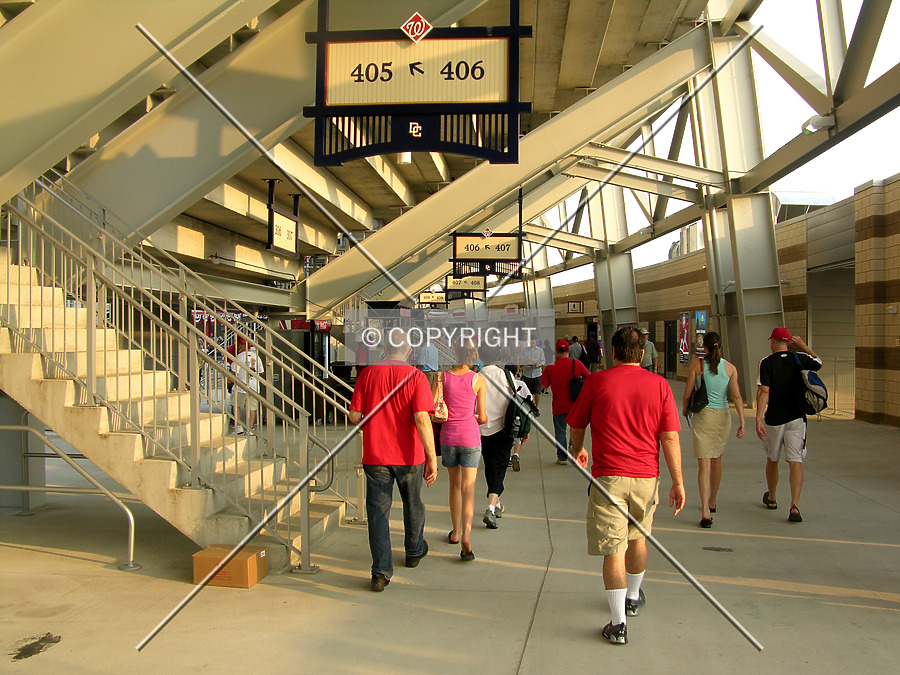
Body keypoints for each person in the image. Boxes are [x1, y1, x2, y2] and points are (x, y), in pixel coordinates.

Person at [569, 326, 685, 646]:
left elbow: (576, 423)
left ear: (612, 352)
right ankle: (633, 597)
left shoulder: (597, 381)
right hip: (647, 477)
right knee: (638, 539)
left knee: (613, 548)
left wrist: (578, 448)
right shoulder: (660, 386)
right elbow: (670, 436)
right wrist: (678, 481)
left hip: (609, 478)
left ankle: (618, 623)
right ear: (643, 353)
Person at [348, 330, 438, 592]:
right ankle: (413, 550)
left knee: (378, 513)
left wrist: (371, 422)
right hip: (409, 456)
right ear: (409, 352)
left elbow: (354, 416)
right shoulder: (416, 377)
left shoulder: (367, 375)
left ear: (384, 350)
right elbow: (422, 418)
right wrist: (432, 458)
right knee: (413, 503)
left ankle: (381, 571)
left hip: (376, 456)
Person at [756, 327, 822, 523]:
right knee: (795, 461)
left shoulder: (766, 362)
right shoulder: (799, 358)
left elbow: (764, 391)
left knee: (772, 458)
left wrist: (759, 417)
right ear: (788, 342)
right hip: (796, 417)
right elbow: (819, 362)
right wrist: (803, 346)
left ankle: (773, 497)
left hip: (775, 418)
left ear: (774, 341)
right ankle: (794, 505)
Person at [681, 331, 745, 528]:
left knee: (704, 465)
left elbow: (687, 393)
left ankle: (705, 511)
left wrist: (685, 410)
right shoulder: (730, 368)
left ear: (705, 348)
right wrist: (742, 421)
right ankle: (713, 501)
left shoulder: (697, 365)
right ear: (721, 347)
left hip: (704, 415)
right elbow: (737, 396)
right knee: (717, 461)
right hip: (723, 417)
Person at [441, 338, 487, 560]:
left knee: (454, 486)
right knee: (469, 489)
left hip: (448, 436)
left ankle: (456, 532)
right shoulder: (478, 380)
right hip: (470, 438)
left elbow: (433, 407)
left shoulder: (442, 378)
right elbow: (483, 416)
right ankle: (467, 535)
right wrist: (476, 417)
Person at [477, 345, 514, 529]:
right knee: (499, 468)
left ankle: (497, 504)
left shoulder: (476, 376)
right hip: (502, 428)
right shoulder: (505, 375)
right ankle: (491, 507)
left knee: (490, 466)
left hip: (481, 430)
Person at [541, 339, 589, 465]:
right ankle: (575, 451)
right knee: (575, 430)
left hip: (558, 406)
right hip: (575, 405)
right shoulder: (576, 364)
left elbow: (544, 384)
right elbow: (589, 377)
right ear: (568, 350)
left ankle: (562, 457)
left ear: (556, 352)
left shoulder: (550, 367)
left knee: (560, 431)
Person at [231, 340, 264, 435]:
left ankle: (238, 427)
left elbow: (234, 371)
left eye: (240, 345)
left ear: (244, 346)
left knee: (236, 405)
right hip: (254, 386)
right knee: (251, 407)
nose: (239, 347)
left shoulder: (240, 356)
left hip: (241, 385)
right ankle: (249, 428)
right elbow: (261, 372)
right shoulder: (256, 357)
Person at [520, 337, 545, 408]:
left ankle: (536, 407)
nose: (532, 344)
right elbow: (520, 361)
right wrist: (527, 361)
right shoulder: (524, 351)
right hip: (527, 374)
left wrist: (538, 365)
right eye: (531, 343)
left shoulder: (540, 351)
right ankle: (530, 406)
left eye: (534, 343)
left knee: (537, 392)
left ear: (536, 343)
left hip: (537, 374)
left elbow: (543, 361)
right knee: (528, 393)